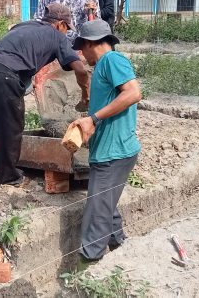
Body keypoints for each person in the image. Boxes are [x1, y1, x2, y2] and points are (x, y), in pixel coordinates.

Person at [0, 3, 90, 186]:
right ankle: (9, 176)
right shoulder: (58, 36)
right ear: (60, 24)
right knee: (9, 126)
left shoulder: (24, 25)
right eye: (67, 28)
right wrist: (85, 94)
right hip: (5, 75)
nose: (66, 33)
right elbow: (80, 70)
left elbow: (20, 49)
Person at [68, 20, 142, 270]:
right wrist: (90, 127)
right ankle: (120, 246)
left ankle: (88, 266)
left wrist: (94, 118)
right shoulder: (103, 66)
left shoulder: (111, 60)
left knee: (96, 213)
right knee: (105, 204)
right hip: (113, 150)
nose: (81, 54)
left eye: (82, 48)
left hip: (113, 153)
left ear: (90, 44)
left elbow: (133, 93)